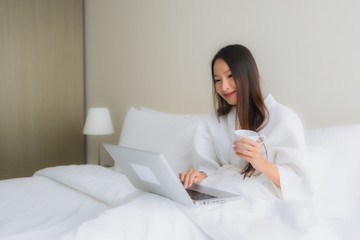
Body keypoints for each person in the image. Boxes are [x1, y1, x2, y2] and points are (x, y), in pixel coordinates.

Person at [179, 44, 310, 200]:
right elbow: (207, 168)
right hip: (223, 194)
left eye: (230, 76)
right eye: (217, 80)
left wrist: (260, 162)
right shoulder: (213, 122)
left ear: (247, 74)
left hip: (261, 198)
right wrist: (198, 176)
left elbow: (298, 183)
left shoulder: (283, 118)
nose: (224, 87)